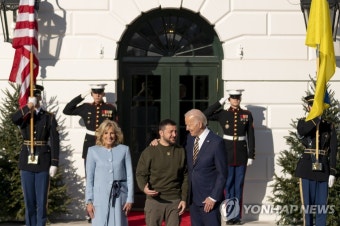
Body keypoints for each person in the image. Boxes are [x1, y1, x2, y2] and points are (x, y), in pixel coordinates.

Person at [203, 89, 255, 225]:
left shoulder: (247, 114)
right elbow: (204, 115)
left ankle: (236, 217)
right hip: (226, 154)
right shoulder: (223, 113)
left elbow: (251, 136)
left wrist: (251, 155)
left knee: (238, 186)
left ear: (240, 99)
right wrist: (220, 102)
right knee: (228, 185)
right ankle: (229, 214)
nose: (236, 100)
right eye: (232, 97)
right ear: (229, 99)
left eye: (238, 97)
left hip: (242, 154)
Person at [11, 84, 60, 226]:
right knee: (29, 201)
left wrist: (54, 163)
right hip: (26, 161)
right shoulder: (24, 115)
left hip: (43, 161)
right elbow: (13, 119)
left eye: (37, 96)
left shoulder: (48, 117)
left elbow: (55, 141)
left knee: (41, 201)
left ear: (40, 97)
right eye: (33, 96)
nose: (35, 98)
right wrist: (28, 107)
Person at [136, 119, 188, 226]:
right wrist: (143, 188)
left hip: (174, 202)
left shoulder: (181, 151)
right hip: (154, 202)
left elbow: (185, 176)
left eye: (175, 131)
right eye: (171, 132)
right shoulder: (149, 151)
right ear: (161, 133)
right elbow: (141, 173)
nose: (174, 134)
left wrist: (183, 199)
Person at [295, 94, 337, 226]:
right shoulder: (303, 122)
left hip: (323, 169)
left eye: (317, 105)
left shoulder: (329, 126)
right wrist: (315, 119)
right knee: (307, 207)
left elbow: (334, 150)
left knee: (321, 208)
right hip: (307, 168)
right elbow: (303, 132)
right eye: (312, 105)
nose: (315, 107)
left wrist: (333, 172)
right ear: (308, 107)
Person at [85, 119, 134, 226]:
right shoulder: (93, 151)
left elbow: (130, 176)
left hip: (119, 197)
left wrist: (129, 199)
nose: (109, 136)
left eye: (112, 133)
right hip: (99, 198)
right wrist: (89, 201)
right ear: (101, 135)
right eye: (106, 133)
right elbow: (90, 179)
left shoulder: (124, 150)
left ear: (116, 135)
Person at [184, 109, 227, 226]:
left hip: (209, 202)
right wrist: (158, 142)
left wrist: (213, 197)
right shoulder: (190, 139)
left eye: (189, 124)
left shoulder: (216, 142)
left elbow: (222, 174)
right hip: (193, 199)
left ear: (199, 124)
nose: (187, 128)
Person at [63, 83, 117, 165]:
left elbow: (116, 128)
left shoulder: (110, 108)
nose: (97, 95)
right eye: (95, 93)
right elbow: (67, 110)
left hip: (105, 142)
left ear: (103, 94)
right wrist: (83, 95)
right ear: (91, 94)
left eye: (99, 93)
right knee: (89, 171)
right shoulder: (86, 107)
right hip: (89, 142)